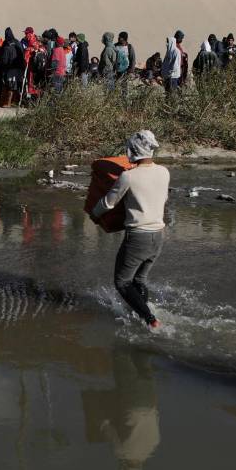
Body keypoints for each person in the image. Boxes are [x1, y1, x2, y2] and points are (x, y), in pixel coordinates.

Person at [92, 130, 170, 329]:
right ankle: (145, 311)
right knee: (139, 279)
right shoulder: (164, 172)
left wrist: (94, 214)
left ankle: (150, 319)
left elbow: (108, 203)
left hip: (138, 238)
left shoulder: (128, 177)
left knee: (122, 282)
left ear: (133, 150)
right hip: (159, 235)